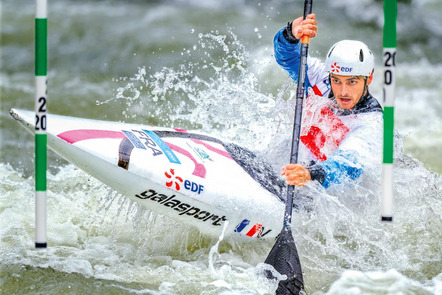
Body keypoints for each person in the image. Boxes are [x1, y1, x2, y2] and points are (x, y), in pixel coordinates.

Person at [274, 14, 383, 188]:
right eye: (337, 80)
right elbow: (287, 57)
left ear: (368, 78)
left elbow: (347, 167)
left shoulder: (372, 123)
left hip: (321, 192)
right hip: (293, 173)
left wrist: (309, 174)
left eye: (352, 81)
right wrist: (290, 35)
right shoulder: (320, 79)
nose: (343, 91)